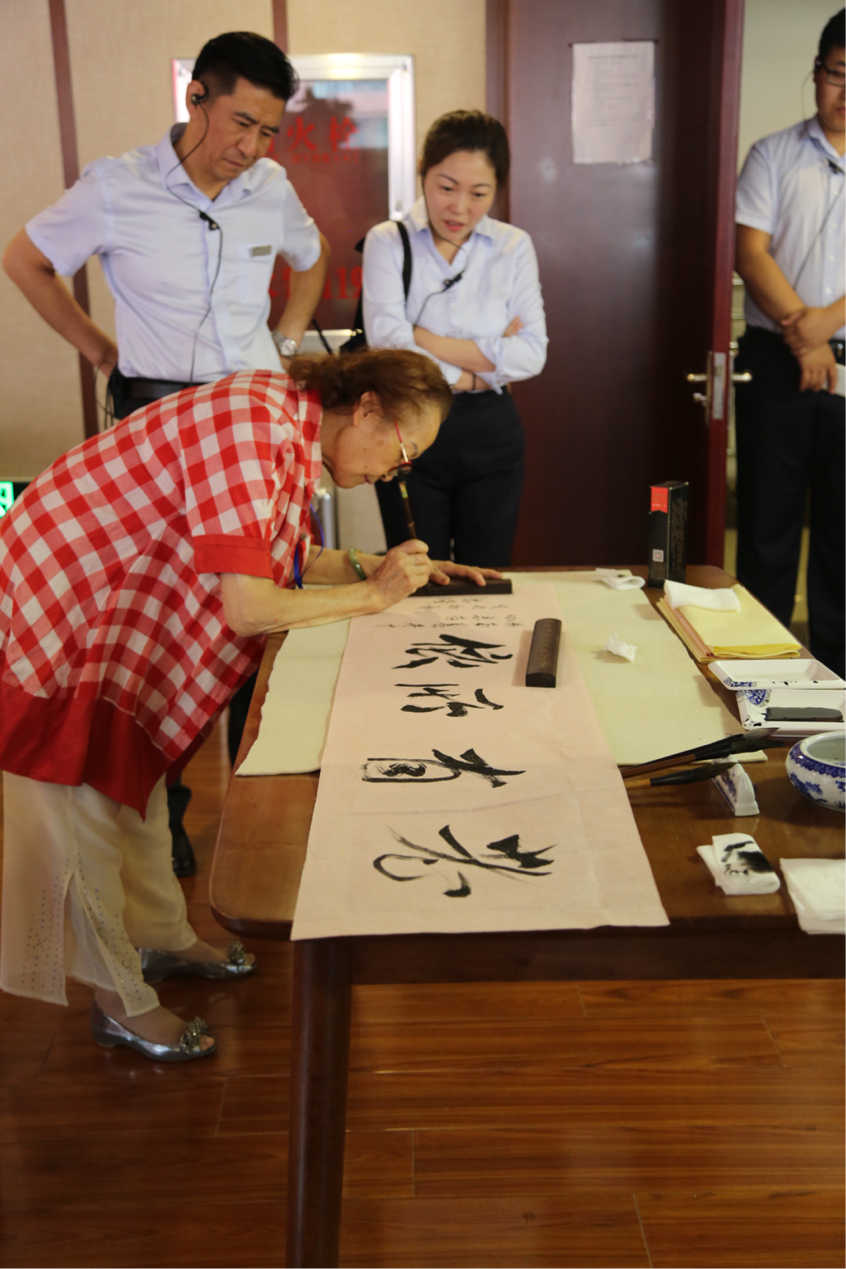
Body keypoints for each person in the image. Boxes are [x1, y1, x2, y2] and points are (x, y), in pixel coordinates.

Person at [0, 349, 499, 1063]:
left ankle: (160, 937)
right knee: (79, 802)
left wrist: (388, 568)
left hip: (118, 595)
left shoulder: (288, 422)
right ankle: (118, 999)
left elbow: (286, 559)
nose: (398, 471)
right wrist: (374, 594)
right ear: (366, 410)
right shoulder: (253, 423)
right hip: (71, 597)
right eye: (403, 450)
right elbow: (251, 606)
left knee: (133, 786)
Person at [2, 30, 331, 877]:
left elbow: (312, 257)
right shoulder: (117, 186)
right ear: (196, 99)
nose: (252, 147)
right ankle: (163, 818)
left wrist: (288, 341)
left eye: (268, 131)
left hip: (252, 426)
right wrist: (98, 349)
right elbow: (27, 260)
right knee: (160, 631)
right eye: (241, 123)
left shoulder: (271, 188)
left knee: (259, 617)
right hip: (159, 423)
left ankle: (261, 802)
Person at [362, 110, 547, 569]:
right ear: (422, 171)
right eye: (446, 188)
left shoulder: (513, 246)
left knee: (487, 576)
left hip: (491, 432)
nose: (459, 208)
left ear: (496, 189)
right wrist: (478, 372)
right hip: (407, 423)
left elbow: (532, 353)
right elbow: (389, 346)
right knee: (415, 575)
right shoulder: (388, 242)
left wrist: (423, 339)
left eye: (479, 194)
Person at [734, 8, 846, 678]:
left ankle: (838, 688)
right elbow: (751, 253)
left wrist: (828, 323)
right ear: (817, 72)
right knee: (767, 529)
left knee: (844, 539)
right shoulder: (772, 154)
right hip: (776, 362)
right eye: (839, 73)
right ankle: (762, 676)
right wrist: (807, 339)